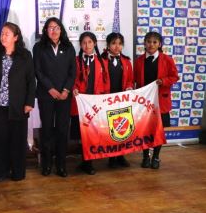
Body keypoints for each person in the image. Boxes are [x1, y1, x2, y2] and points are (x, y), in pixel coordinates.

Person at [0, 22, 35, 182]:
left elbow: (30, 81)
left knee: (17, 141)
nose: (3, 36)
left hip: (18, 106)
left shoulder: (25, 55)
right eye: (2, 33)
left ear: (16, 37)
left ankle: (18, 172)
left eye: (7, 33)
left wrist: (29, 102)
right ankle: (0, 171)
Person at [33, 18, 76, 178]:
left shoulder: (68, 47)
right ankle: (47, 164)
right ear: (45, 30)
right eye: (50, 28)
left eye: (57, 27)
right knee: (47, 130)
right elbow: (38, 70)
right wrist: (50, 88)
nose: (54, 30)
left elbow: (73, 71)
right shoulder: (39, 47)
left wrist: (66, 90)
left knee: (62, 130)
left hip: (65, 96)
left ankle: (61, 165)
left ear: (61, 30)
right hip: (46, 94)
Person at [134, 31, 178, 169]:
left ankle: (156, 157)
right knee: (145, 130)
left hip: (161, 102)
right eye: (148, 41)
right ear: (144, 43)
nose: (151, 44)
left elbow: (174, 77)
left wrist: (163, 81)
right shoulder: (139, 60)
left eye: (154, 42)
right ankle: (145, 156)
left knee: (158, 131)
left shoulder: (167, 59)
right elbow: (134, 79)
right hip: (144, 102)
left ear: (159, 44)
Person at [72, 32, 109, 175]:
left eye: (90, 42)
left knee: (94, 132)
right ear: (80, 45)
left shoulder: (102, 62)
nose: (87, 45)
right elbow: (71, 79)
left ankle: (89, 161)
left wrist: (104, 98)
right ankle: (86, 161)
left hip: (96, 105)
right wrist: (74, 89)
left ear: (95, 43)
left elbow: (106, 83)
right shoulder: (75, 61)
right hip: (80, 104)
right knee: (82, 134)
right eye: (84, 43)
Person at [101, 32, 134, 168]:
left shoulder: (126, 61)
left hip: (122, 100)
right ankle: (111, 158)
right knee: (110, 129)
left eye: (120, 44)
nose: (117, 46)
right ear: (108, 45)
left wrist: (129, 87)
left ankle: (121, 156)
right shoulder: (101, 60)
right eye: (114, 43)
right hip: (107, 100)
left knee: (123, 128)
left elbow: (130, 80)